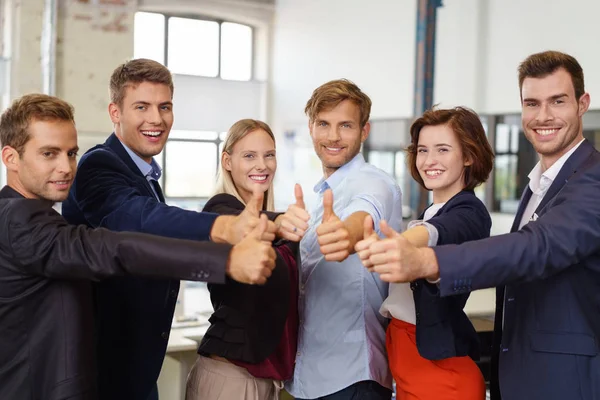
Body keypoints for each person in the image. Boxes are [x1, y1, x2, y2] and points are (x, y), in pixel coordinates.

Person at [0, 93, 277, 400]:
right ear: (11, 157)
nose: (66, 167)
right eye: (49, 154)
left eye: (71, 153)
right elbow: (116, 248)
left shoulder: (30, 216)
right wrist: (225, 260)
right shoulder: (20, 221)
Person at [365, 51, 600, 400]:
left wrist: (428, 261)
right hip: (520, 374)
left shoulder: (592, 180)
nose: (543, 115)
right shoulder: (540, 184)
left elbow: (537, 246)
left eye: (558, 101)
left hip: (564, 381)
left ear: (583, 104)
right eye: (531, 103)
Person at [356, 107, 495, 400]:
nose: (429, 161)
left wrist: (403, 243)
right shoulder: (430, 211)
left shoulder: (470, 211)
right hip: (407, 359)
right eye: (423, 150)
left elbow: (442, 231)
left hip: (441, 373)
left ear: (469, 156)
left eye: (443, 150)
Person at [285, 79, 403, 400]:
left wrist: (344, 235)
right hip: (310, 374)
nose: (333, 136)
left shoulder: (375, 182)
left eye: (346, 126)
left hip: (352, 378)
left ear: (364, 131)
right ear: (311, 128)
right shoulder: (319, 197)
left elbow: (364, 214)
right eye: (324, 124)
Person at [185, 119, 309, 400]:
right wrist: (284, 222)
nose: (262, 165)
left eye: (269, 155)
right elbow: (246, 224)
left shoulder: (277, 221)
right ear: (227, 161)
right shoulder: (219, 210)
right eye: (249, 156)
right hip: (231, 377)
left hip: (265, 379)